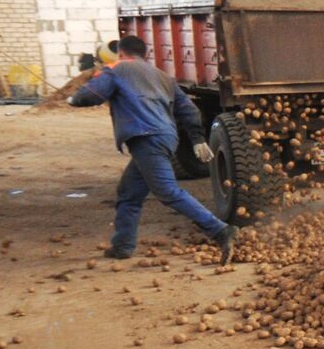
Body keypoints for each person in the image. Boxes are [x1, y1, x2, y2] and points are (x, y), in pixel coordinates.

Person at [69, 34, 237, 262]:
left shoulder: (115, 69)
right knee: (128, 192)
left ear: (121, 53)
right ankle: (122, 246)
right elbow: (189, 110)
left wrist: (74, 99)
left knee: (167, 191)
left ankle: (219, 230)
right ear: (144, 54)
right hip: (164, 137)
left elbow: (89, 95)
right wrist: (197, 139)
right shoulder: (162, 76)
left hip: (146, 137)